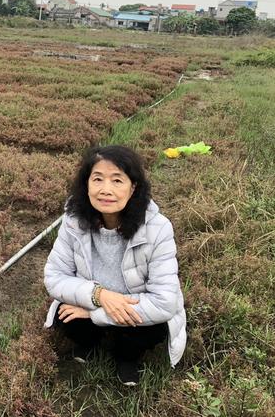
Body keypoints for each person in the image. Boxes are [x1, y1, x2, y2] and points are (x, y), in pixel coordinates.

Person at [43, 145, 186, 386]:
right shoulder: (74, 220)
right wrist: (100, 295)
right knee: (64, 315)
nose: (105, 190)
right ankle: (89, 342)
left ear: (133, 188)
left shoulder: (158, 228)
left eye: (117, 180)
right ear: (86, 184)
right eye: (97, 179)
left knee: (151, 328)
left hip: (132, 305)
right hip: (97, 296)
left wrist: (95, 313)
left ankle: (127, 357)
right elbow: (55, 277)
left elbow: (164, 302)